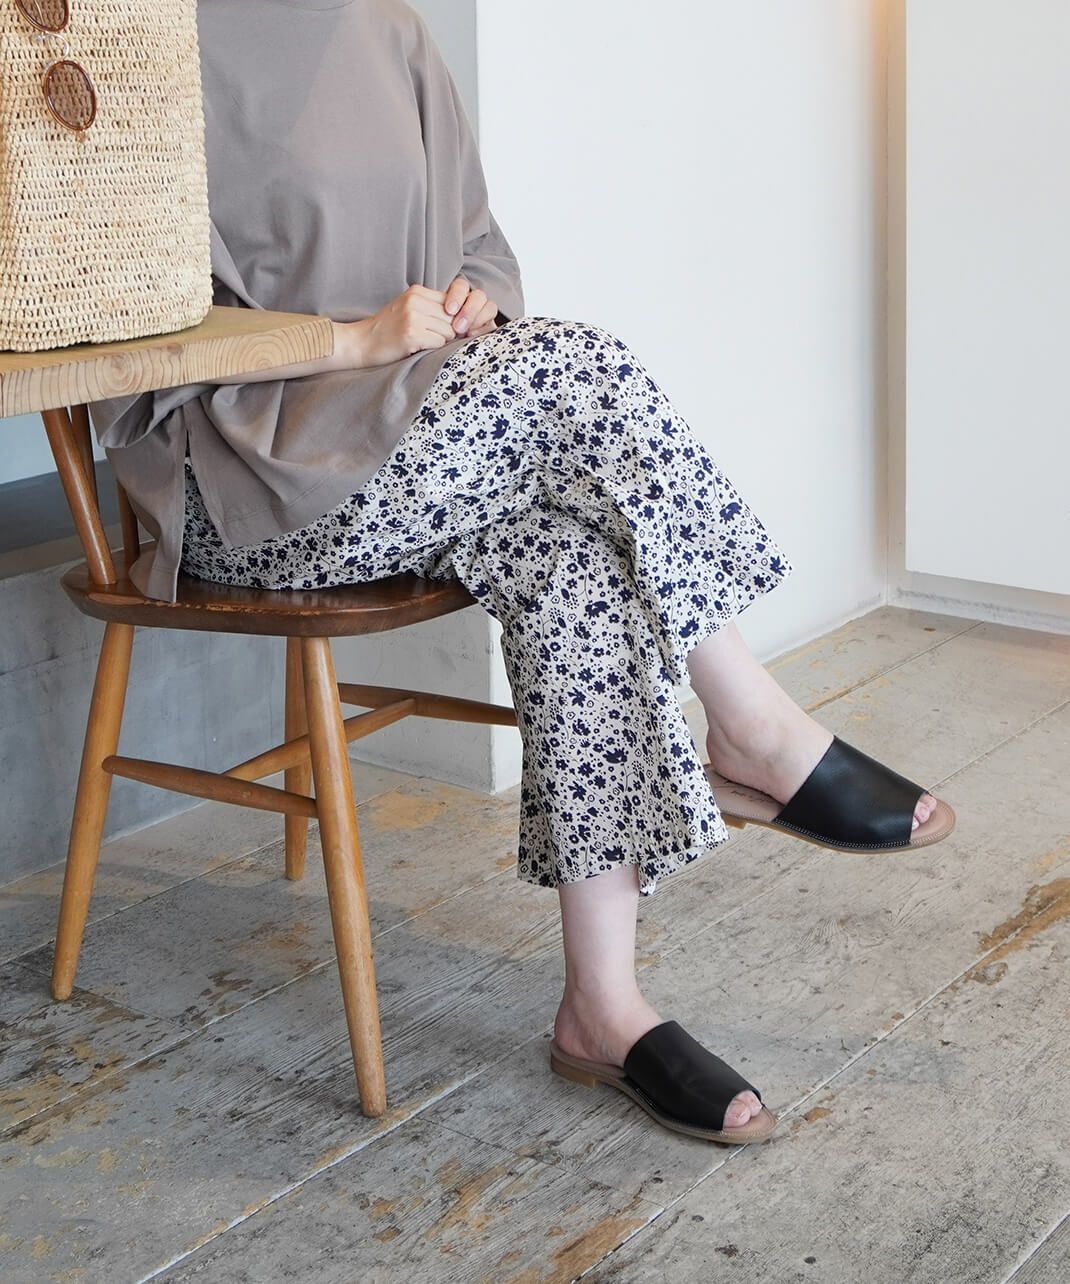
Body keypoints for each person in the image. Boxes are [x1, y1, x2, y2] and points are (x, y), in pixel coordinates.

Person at [91, 0, 954, 1145]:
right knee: (571, 371)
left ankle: (602, 1006)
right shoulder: (132, 39)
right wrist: (349, 342)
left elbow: (479, 247)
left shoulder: (383, 25)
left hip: (413, 441)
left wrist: (475, 300)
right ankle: (754, 727)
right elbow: (116, 332)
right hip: (244, 479)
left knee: (572, 556)